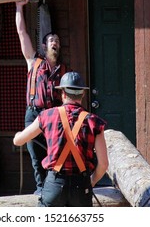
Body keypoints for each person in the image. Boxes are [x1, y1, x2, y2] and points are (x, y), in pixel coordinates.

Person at [13, 71, 109, 207]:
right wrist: (92, 181)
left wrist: (17, 136)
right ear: (82, 94)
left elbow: (18, 141)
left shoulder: (47, 116)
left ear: (63, 94)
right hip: (81, 186)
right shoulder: (94, 122)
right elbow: (104, 164)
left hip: (54, 184)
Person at [15, 0, 67, 195]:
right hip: (34, 114)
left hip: (53, 116)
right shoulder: (33, 61)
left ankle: (52, 187)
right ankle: (40, 188)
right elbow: (22, 33)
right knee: (35, 153)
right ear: (44, 46)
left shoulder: (63, 70)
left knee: (55, 151)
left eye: (57, 40)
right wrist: (19, 7)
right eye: (51, 39)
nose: (55, 41)